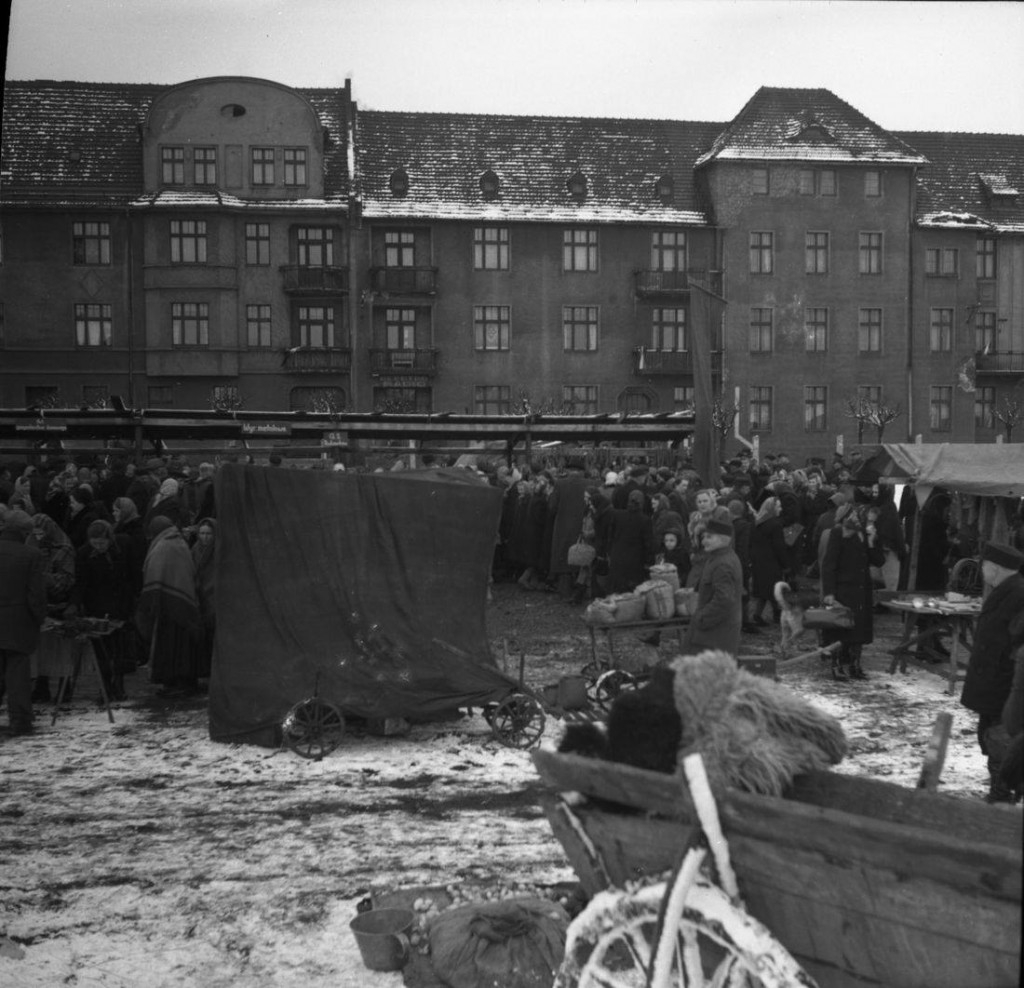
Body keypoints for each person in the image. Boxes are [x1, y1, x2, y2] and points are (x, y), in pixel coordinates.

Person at [960, 541, 1024, 804]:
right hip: (992, 684)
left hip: (1003, 685)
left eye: (984, 565)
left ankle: (1001, 795)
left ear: (995, 568)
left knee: (1000, 741)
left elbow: (1018, 644)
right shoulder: (1005, 589)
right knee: (989, 738)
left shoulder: (1018, 594)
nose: (982, 570)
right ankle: (998, 789)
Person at [135, 515, 202, 697]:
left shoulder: (165, 545)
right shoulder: (177, 542)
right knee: (180, 646)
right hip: (181, 601)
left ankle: (176, 682)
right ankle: (179, 681)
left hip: (169, 606)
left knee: (172, 646)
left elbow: (156, 571)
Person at [821, 504, 885, 681]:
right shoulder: (839, 533)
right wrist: (829, 592)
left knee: (859, 630)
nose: (870, 522)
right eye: (868, 518)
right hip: (844, 590)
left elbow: (879, 561)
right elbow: (829, 564)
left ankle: (855, 665)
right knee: (840, 629)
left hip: (862, 590)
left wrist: (872, 542)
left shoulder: (866, 534)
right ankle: (836, 666)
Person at [74, 520, 136, 700]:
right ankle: (105, 687)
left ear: (110, 539)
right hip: (96, 606)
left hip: (120, 605)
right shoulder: (84, 554)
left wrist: (131, 601)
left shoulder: (122, 549)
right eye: (95, 543)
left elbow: (131, 576)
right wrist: (75, 603)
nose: (99, 547)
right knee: (102, 651)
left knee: (119, 649)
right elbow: (81, 582)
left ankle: (119, 685)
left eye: (102, 543)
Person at [0, 511, 47, 735]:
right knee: (17, 673)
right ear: (24, 532)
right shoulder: (31, 555)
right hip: (18, 622)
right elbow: (35, 594)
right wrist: (40, 618)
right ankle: (20, 721)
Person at [28, 514, 77, 703]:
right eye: (36, 533)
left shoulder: (64, 547)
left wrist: (46, 579)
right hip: (41, 601)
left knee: (61, 648)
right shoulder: (31, 543)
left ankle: (65, 688)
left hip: (59, 602)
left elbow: (68, 579)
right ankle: (42, 686)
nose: (38, 537)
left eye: (41, 533)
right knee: (42, 647)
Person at [681, 517, 744, 658]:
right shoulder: (718, 557)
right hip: (713, 633)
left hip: (714, 635)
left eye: (709, 537)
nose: (703, 541)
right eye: (703, 537)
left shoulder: (722, 564)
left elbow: (724, 599)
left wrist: (702, 618)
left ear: (722, 539)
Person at [606, 488, 655, 593]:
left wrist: (610, 552)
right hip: (635, 560)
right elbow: (648, 543)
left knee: (615, 589)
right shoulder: (645, 520)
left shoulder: (617, 515)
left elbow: (610, 535)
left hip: (617, 556)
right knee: (632, 592)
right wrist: (649, 560)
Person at [748, 495, 788, 626]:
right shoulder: (776, 525)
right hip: (772, 562)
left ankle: (758, 615)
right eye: (778, 506)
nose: (781, 509)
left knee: (764, 591)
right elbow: (779, 546)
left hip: (758, 561)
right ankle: (777, 615)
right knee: (774, 590)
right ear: (772, 508)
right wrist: (785, 563)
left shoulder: (756, 523)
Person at [192, 518, 217, 681]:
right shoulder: (195, 550)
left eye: (208, 534)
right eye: (202, 533)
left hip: (214, 597)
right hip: (200, 595)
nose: (205, 537)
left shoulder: (219, 551)